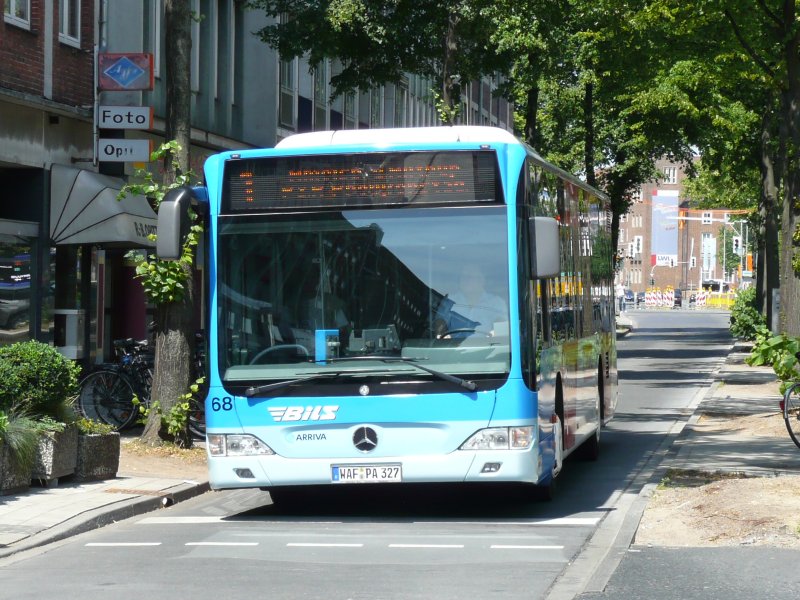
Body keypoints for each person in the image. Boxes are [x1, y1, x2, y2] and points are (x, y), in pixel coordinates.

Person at [436, 264, 507, 337]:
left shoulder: (496, 302)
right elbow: (439, 325)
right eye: (463, 276)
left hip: (488, 346)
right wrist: (441, 333)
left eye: (470, 277)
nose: (465, 280)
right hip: (453, 347)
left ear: (482, 280)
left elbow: (502, 328)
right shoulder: (449, 301)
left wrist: (495, 333)